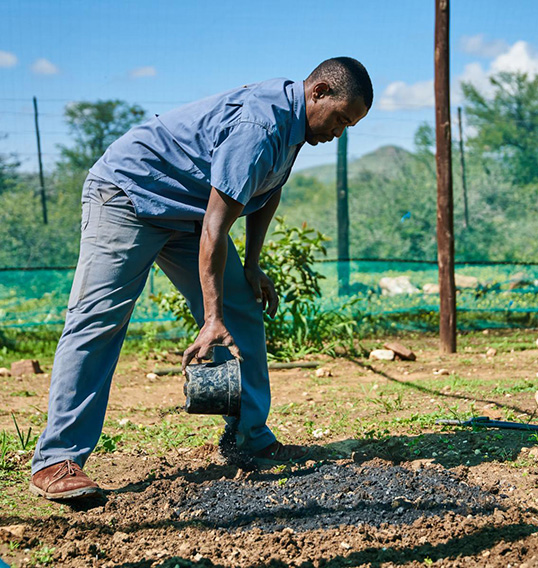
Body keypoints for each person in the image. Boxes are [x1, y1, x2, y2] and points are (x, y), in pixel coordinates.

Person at [29, 57, 373, 500]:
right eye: (340, 119)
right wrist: (211, 319)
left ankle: (248, 435)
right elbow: (215, 225)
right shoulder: (261, 124)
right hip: (129, 195)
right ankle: (56, 459)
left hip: (188, 212)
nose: (338, 131)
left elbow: (266, 189)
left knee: (242, 307)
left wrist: (251, 265)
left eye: (350, 126)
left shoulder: (294, 127)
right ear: (319, 92)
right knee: (98, 319)